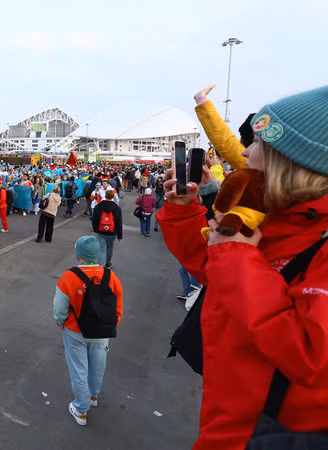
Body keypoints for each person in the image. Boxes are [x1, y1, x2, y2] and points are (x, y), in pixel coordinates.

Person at [158, 86, 328, 449]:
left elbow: (312, 353)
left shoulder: (317, 237)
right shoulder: (273, 215)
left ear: (292, 161)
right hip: (229, 421)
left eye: (259, 144)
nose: (246, 151)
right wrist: (184, 211)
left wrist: (237, 258)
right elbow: (217, 271)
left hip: (266, 432)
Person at [53, 236, 123, 426]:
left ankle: (81, 409)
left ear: (78, 255)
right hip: (103, 331)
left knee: (79, 369)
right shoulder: (111, 277)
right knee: (97, 366)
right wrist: (112, 323)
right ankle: (93, 396)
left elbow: (59, 308)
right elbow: (118, 306)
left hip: (75, 331)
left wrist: (60, 322)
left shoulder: (69, 276)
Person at [90, 190, 122, 269]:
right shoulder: (117, 208)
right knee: (110, 247)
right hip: (112, 232)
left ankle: (100, 266)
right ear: (113, 197)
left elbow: (94, 219)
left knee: (100, 249)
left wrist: (95, 229)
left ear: (105, 195)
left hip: (101, 231)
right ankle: (108, 263)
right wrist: (119, 235)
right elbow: (119, 222)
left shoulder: (99, 206)